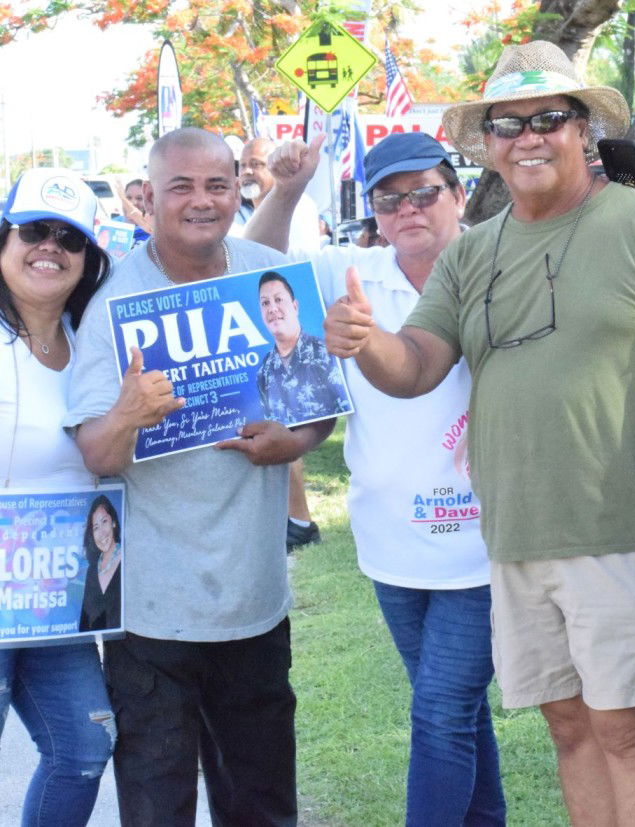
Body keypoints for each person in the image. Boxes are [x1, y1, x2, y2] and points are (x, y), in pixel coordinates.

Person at [321, 40, 635, 826]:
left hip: (629, 533)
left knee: (629, 731)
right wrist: (364, 339)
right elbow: (414, 365)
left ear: (582, 129)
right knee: (571, 728)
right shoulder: (472, 253)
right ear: (486, 147)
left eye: (549, 117)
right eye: (507, 125)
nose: (528, 137)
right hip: (512, 540)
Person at [65, 127, 334, 826]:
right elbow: (97, 453)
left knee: (262, 802)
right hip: (151, 616)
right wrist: (127, 412)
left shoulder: (267, 275)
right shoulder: (114, 304)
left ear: (238, 189)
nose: (200, 200)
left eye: (216, 184)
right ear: (148, 197)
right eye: (180, 186)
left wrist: (292, 439)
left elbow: (317, 414)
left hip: (253, 599)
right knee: (158, 808)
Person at [248, 130, 505, 827]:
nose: (407, 210)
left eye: (425, 192)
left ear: (458, 195)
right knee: (451, 707)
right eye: (389, 200)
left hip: (483, 543)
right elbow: (256, 265)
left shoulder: (504, 260)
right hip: (391, 543)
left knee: (440, 710)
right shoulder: (350, 270)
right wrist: (288, 188)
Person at [0, 168, 115, 825]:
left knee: (84, 744)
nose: (51, 246)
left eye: (69, 237)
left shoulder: (91, 346)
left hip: (58, 598)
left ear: (89, 260)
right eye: (34, 230)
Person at [234, 138, 324, 549]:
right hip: (256, 333)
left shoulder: (297, 207)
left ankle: (300, 521)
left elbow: (276, 264)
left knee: (288, 429)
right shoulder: (242, 210)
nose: (248, 172)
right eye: (243, 165)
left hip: (290, 334)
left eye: (256, 163)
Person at [255, 270, 349, 425]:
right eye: (265, 303)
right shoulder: (264, 371)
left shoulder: (326, 353)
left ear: (295, 307)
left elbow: (345, 416)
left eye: (278, 299)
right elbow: (269, 422)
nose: (272, 309)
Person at [79, 494, 123, 632]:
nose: (102, 532)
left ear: (114, 522)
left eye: (104, 521)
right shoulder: (92, 570)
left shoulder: (128, 559)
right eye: (96, 527)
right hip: (107, 650)